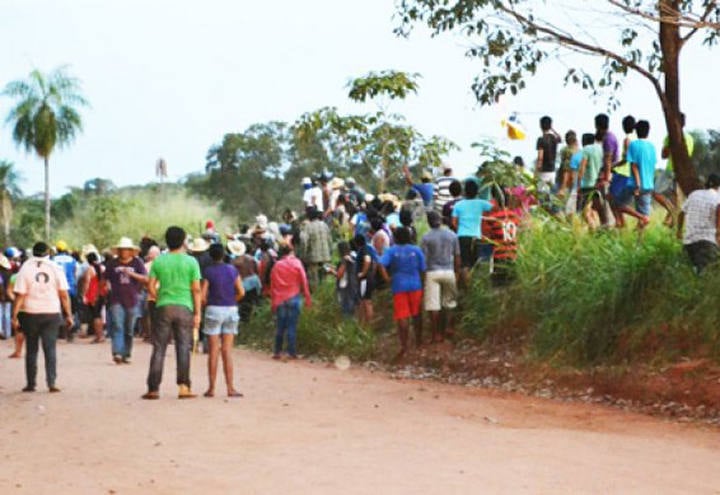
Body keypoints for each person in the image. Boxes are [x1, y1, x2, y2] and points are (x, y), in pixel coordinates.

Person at [143, 226, 202, 400]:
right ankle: (184, 387)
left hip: (163, 306)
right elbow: (196, 290)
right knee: (183, 347)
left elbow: (150, 285)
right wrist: (198, 313)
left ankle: (153, 388)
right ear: (183, 241)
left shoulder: (159, 261)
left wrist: (158, 296)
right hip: (185, 307)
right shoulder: (191, 262)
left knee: (159, 347)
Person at [12, 242, 73, 393]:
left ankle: (31, 383)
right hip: (51, 312)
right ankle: (51, 382)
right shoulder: (56, 268)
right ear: (48, 253)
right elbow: (64, 295)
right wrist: (68, 314)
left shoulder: (25, 268)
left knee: (31, 349)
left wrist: (14, 316)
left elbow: (20, 295)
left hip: (30, 312)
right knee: (50, 348)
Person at [201, 243, 244, 398]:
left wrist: (208, 303)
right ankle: (230, 388)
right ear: (224, 254)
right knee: (227, 350)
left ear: (211, 256)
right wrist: (233, 300)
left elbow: (203, 295)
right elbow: (241, 291)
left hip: (214, 309)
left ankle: (211, 388)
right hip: (231, 309)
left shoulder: (208, 271)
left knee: (213, 350)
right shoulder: (232, 270)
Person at [379, 227, 426, 361]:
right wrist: (422, 283)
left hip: (399, 285)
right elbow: (423, 268)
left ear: (396, 237)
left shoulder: (391, 251)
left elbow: (381, 264)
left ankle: (404, 346)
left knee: (402, 316)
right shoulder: (416, 250)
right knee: (417, 314)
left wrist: (387, 278)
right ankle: (418, 342)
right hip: (415, 284)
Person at [105, 237, 148, 364]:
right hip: (116, 299)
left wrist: (131, 274)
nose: (123, 252)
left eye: (126, 250)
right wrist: (106, 287)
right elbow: (105, 278)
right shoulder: (112, 263)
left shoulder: (137, 263)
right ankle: (117, 352)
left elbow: (145, 279)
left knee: (129, 329)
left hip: (132, 299)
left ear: (131, 251)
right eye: (121, 250)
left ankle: (126, 353)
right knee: (118, 325)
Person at [421, 211, 460, 343]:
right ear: (441, 220)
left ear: (429, 222)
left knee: (433, 306)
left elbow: (423, 261)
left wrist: (423, 277)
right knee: (449, 303)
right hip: (448, 271)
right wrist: (457, 273)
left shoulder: (426, 237)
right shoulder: (452, 235)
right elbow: (457, 256)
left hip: (432, 272)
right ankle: (448, 328)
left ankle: (436, 334)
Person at [269, 242, 312, 360]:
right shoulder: (297, 263)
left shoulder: (277, 265)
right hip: (294, 297)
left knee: (280, 326)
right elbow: (304, 281)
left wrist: (273, 302)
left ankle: (277, 351)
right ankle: (291, 352)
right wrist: (307, 297)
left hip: (280, 299)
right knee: (292, 326)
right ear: (291, 251)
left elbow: (273, 285)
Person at [677, 174, 720, 275]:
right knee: (707, 274)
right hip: (707, 242)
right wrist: (718, 233)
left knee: (690, 274)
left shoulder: (694, 194)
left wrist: (679, 231)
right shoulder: (718, 197)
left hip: (689, 242)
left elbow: (681, 213)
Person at [452, 179, 493, 284]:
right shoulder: (482, 203)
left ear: (465, 191)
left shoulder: (458, 205)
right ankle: (474, 287)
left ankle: (466, 288)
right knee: (475, 264)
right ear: (477, 192)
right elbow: (495, 207)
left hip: (462, 236)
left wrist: (459, 230)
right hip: (476, 237)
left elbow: (454, 222)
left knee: (465, 264)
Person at [658, 112, 694, 226]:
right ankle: (671, 221)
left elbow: (663, 155)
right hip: (683, 172)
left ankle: (670, 211)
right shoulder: (690, 138)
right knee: (676, 198)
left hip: (671, 169)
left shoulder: (670, 136)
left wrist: (668, 145)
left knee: (655, 192)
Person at [627, 120, 658, 226]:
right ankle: (639, 240)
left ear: (636, 131)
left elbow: (634, 166)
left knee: (617, 203)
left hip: (636, 184)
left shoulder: (633, 145)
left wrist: (638, 184)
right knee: (643, 215)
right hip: (649, 185)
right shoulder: (652, 147)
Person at [299, 207, 332, 291]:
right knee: (325, 277)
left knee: (314, 279)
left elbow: (304, 242)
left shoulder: (308, 227)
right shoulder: (324, 225)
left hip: (313, 257)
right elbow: (330, 240)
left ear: (309, 217)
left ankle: (316, 297)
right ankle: (325, 295)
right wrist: (330, 252)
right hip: (326, 255)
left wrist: (303, 255)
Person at [576, 132, 604, 228]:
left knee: (584, 212)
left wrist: (578, 184)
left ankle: (593, 229)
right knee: (594, 210)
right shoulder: (600, 149)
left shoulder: (586, 150)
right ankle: (596, 230)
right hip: (598, 184)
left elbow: (582, 167)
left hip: (587, 185)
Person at [52, 240, 79, 341]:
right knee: (70, 311)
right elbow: (76, 273)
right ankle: (70, 333)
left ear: (57, 249)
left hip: (56, 288)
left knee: (57, 310)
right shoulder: (72, 260)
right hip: (70, 288)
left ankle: (60, 332)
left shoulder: (52, 259)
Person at [81, 252, 107, 344]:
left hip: (92, 294)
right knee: (99, 314)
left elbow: (86, 283)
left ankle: (98, 336)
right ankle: (101, 335)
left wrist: (84, 295)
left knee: (95, 316)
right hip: (101, 293)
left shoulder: (90, 269)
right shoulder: (103, 268)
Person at [351, 234, 376, 325]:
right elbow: (373, 263)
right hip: (369, 278)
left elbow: (368, 260)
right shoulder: (368, 248)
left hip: (365, 280)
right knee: (366, 301)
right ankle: (366, 323)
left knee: (366, 301)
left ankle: (367, 324)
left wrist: (363, 273)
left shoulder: (363, 250)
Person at [329, 241, 359, 318]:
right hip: (354, 284)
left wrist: (332, 272)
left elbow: (339, 275)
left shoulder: (344, 260)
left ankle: (347, 326)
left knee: (346, 310)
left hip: (345, 287)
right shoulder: (353, 256)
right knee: (353, 308)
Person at [535, 116, 561, 186]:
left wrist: (536, 172)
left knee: (542, 194)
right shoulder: (554, 138)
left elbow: (540, 157)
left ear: (540, 126)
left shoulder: (541, 139)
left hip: (543, 171)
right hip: (552, 170)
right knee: (550, 194)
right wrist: (552, 129)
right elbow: (560, 138)